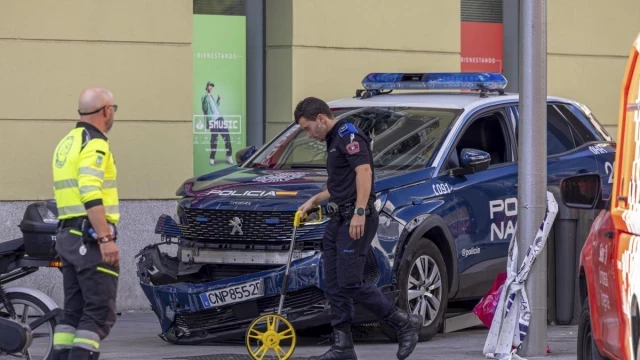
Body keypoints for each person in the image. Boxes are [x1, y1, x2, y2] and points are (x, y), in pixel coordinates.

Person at [295, 97, 422, 360]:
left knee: (350, 283)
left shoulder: (348, 134)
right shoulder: (332, 141)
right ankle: (343, 346)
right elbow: (340, 186)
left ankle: (402, 322)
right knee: (334, 284)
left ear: (321, 119)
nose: (307, 134)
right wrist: (312, 201)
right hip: (339, 219)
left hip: (356, 217)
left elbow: (364, 172)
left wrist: (360, 212)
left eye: (307, 128)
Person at [51, 87, 121, 360]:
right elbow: (90, 192)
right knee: (98, 314)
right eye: (114, 108)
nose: (114, 113)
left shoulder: (67, 141)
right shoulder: (95, 143)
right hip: (89, 239)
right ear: (106, 110)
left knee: (74, 312)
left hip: (68, 237)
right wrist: (106, 238)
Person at [201, 81, 233, 165]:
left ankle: (229, 155)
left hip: (219, 119)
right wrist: (205, 98)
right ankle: (212, 157)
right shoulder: (204, 95)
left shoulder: (211, 96)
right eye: (210, 86)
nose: (211, 87)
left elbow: (216, 107)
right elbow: (204, 108)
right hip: (212, 121)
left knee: (227, 136)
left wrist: (218, 99)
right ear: (207, 86)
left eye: (212, 86)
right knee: (214, 140)